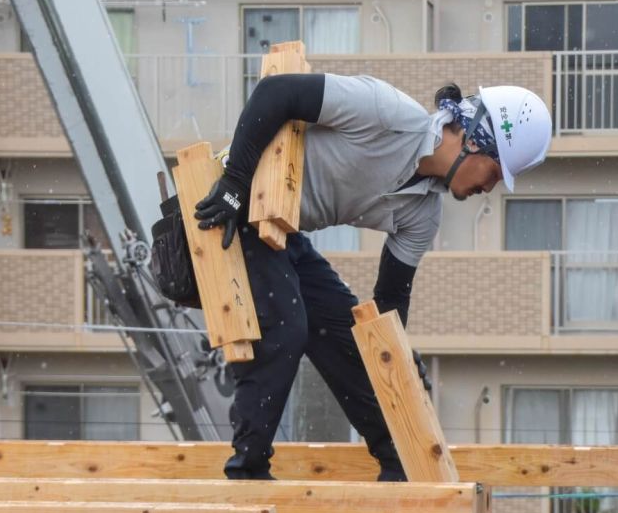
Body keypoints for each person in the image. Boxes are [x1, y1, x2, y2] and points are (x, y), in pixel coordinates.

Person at [191, 73, 552, 480]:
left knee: (354, 343)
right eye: (495, 173)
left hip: (280, 234)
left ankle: (398, 472)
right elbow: (276, 92)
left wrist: (393, 350)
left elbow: (390, 300)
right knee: (287, 327)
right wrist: (234, 184)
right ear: (473, 141)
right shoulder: (388, 113)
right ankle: (247, 474)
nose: (489, 187)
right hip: (224, 211)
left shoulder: (423, 215)